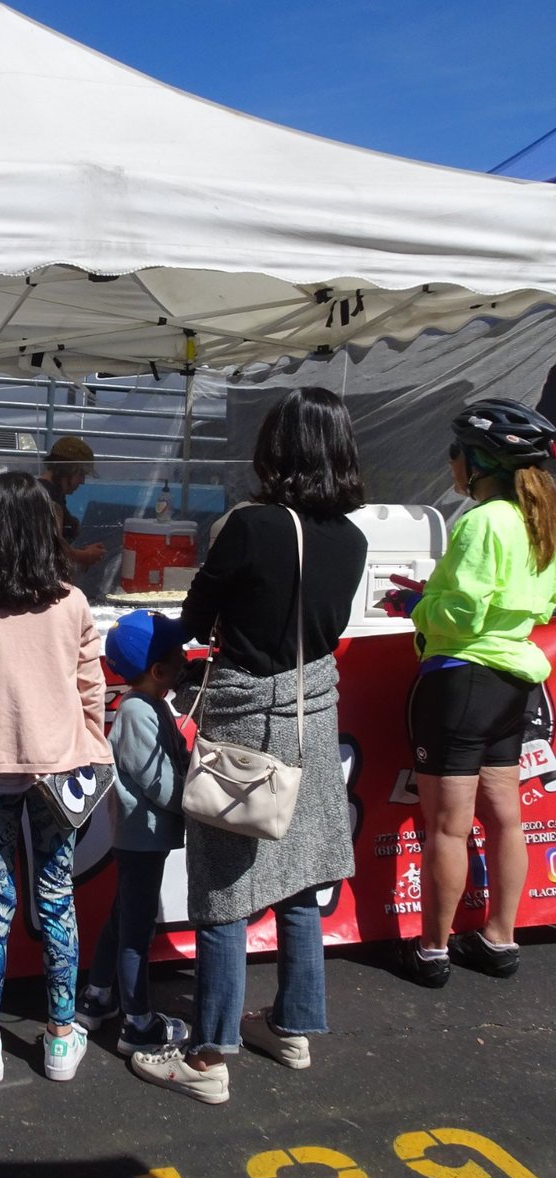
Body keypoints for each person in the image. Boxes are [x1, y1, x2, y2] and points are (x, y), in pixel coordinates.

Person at [131, 386, 367, 1105]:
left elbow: (197, 620)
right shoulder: (353, 540)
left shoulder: (252, 527)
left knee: (226, 886)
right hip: (313, 718)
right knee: (300, 873)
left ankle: (208, 1055)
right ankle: (291, 1027)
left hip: (245, 723)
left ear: (276, 451)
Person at [0, 470, 113, 1085]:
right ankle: (61, 1036)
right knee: (56, 898)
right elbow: (93, 691)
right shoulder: (73, 604)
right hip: (60, 773)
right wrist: (92, 755)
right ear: (48, 532)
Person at [397, 399, 556, 987]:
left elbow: (461, 615)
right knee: (506, 819)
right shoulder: (541, 517)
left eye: (455, 453)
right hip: (514, 677)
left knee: (447, 826)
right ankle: (499, 939)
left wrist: (417, 606)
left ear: (479, 460)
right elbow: (528, 603)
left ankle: (433, 951)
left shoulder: (482, 518)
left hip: (461, 680)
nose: (450, 463)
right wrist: (432, 596)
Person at [75, 611, 191, 1057]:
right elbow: (158, 782)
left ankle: (97, 996)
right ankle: (137, 1023)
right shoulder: (138, 711)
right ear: (159, 671)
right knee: (136, 933)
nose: (186, 660)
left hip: (142, 838)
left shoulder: (148, 705)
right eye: (179, 656)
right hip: (143, 837)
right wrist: (195, 802)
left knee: (122, 916)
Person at [39, 435, 107, 569]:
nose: (82, 481)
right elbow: (53, 548)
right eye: (80, 474)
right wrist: (84, 556)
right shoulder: (48, 498)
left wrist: (80, 551)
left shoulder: (50, 493)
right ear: (68, 470)